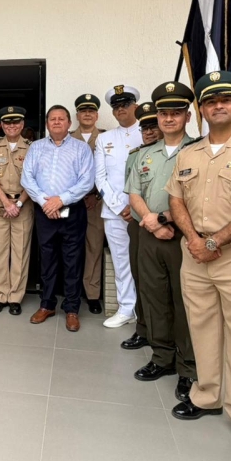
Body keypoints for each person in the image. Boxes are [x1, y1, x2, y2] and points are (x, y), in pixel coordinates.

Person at [166, 71, 231, 459]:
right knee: (203, 329)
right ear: (201, 109)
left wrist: (214, 241)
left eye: (226, 99)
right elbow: (176, 199)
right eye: (210, 101)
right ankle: (208, 395)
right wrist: (196, 241)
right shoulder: (188, 153)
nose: (218, 106)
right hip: (195, 255)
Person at [127, 83, 197, 401]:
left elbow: (199, 199)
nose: (169, 118)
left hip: (183, 237)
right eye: (164, 113)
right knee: (153, 298)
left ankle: (189, 368)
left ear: (187, 115)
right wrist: (152, 223)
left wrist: (165, 220)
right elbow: (135, 193)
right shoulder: (145, 154)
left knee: (184, 304)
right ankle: (162, 358)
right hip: (150, 234)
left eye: (176, 112)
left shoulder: (198, 151)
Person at [22, 105, 95, 332]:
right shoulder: (35, 147)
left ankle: (72, 308)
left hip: (72, 212)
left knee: (72, 261)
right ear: (47, 124)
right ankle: (47, 304)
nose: (56, 122)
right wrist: (46, 203)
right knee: (47, 259)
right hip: (45, 212)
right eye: (52, 119)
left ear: (68, 123)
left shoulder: (82, 149)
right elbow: (27, 178)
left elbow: (87, 181)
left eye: (61, 119)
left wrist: (60, 200)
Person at [95, 85, 142, 328]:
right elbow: (100, 177)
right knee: (121, 261)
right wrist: (117, 206)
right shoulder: (104, 138)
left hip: (144, 212)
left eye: (125, 104)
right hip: (114, 213)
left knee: (146, 262)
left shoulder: (148, 132)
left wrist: (135, 208)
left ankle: (146, 310)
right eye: (116, 106)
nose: (120, 109)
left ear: (135, 105)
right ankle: (126, 308)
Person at [120, 102, 163, 351]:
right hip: (138, 224)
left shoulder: (176, 153)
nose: (149, 132)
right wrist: (131, 208)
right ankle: (144, 328)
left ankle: (164, 338)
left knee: (162, 285)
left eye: (153, 126)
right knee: (140, 277)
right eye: (144, 127)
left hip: (166, 225)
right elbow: (132, 188)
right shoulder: (135, 155)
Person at [0, 106, 33, 315]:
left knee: (21, 252)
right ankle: (0, 295)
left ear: (22, 125)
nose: (11, 126)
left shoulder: (32, 148)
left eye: (16, 122)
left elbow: (33, 180)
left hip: (24, 202)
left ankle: (15, 297)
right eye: (7, 123)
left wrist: (18, 203)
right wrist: (6, 203)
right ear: (2, 125)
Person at [70, 93, 106, 314]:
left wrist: (97, 196)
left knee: (94, 247)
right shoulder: (66, 138)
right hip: (71, 201)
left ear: (97, 115)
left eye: (91, 111)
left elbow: (110, 172)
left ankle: (92, 294)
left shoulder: (105, 138)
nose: (87, 114)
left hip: (95, 202)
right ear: (77, 115)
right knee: (70, 247)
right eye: (83, 111)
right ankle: (70, 289)